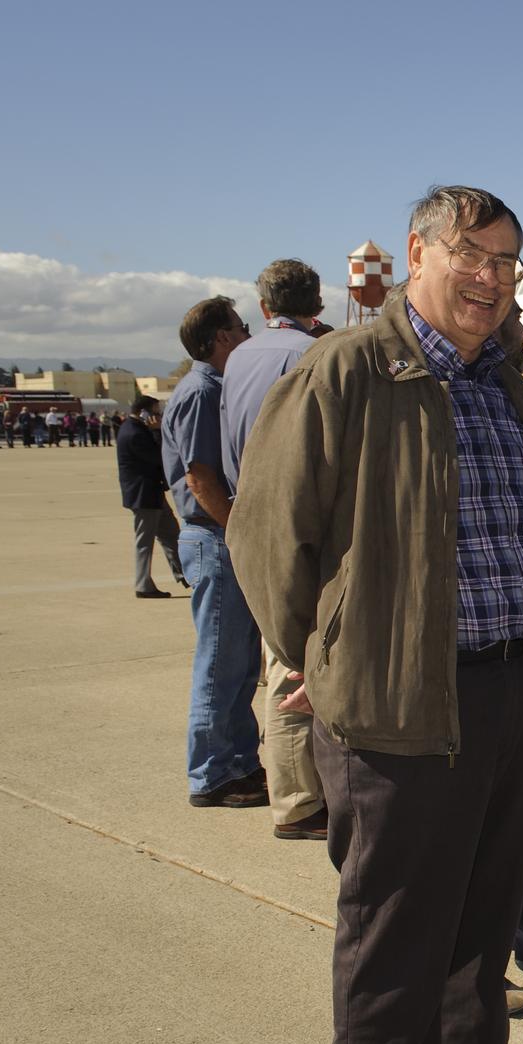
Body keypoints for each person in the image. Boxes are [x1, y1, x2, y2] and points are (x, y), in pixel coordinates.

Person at [229, 186, 523, 1044]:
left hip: (510, 694)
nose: (490, 277)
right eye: (470, 253)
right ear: (416, 254)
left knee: (480, 931)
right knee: (395, 942)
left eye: (507, 261)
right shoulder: (346, 371)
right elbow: (268, 536)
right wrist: (326, 655)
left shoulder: (502, 381)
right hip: (400, 709)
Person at [221, 259, 329, 841]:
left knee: (280, 655)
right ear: (317, 303)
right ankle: (298, 802)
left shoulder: (240, 357)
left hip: (249, 511)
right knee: (296, 664)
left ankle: (296, 791)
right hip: (297, 518)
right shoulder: (314, 354)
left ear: (265, 307)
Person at [162, 297, 265, 810]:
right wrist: (238, 532)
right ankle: (211, 774)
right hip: (215, 538)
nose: (248, 335)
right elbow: (199, 476)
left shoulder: (215, 387)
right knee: (220, 663)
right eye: (242, 327)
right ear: (222, 338)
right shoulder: (202, 391)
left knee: (240, 664)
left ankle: (240, 762)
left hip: (221, 537)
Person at [114, 394, 186, 597]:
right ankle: (143, 585)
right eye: (156, 412)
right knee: (145, 542)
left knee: (171, 534)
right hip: (143, 496)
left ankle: (185, 574)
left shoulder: (135, 428)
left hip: (152, 494)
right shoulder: (135, 433)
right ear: (143, 412)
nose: (159, 416)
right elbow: (159, 457)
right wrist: (157, 431)